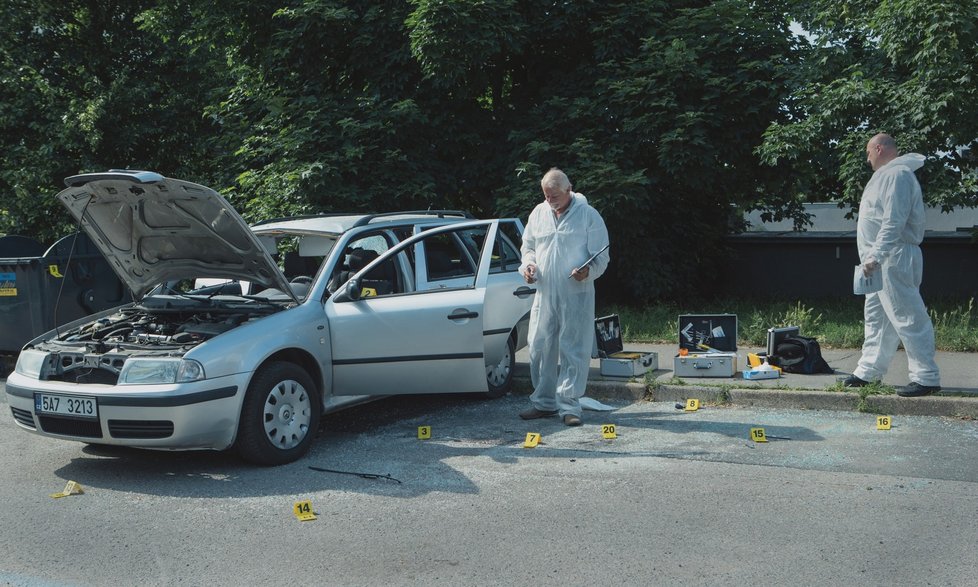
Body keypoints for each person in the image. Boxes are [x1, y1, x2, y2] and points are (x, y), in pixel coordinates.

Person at [843, 133, 941, 397]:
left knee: (908, 316)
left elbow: (893, 221)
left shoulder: (898, 176)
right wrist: (872, 258)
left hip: (891, 257)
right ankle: (868, 371)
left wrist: (876, 256)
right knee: (877, 319)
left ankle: (926, 377)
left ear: (878, 148)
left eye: (868, 153)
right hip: (879, 261)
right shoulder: (887, 176)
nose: (867, 159)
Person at [518, 168, 610, 425]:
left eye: (554, 195)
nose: (550, 200)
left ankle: (569, 407)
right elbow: (528, 247)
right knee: (538, 346)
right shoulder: (538, 214)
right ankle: (544, 403)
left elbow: (602, 255)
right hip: (545, 292)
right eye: (546, 195)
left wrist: (588, 271)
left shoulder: (588, 216)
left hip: (575, 293)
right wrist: (528, 266)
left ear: (569, 189)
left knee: (573, 348)